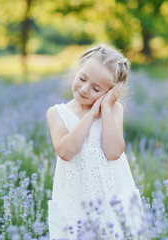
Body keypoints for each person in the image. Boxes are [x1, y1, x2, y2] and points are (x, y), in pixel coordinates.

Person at [46, 44, 145, 239]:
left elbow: (113, 152)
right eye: (82, 78)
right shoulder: (57, 113)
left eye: (96, 88)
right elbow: (65, 152)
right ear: (77, 72)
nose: (84, 89)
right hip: (76, 196)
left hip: (112, 193)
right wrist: (91, 114)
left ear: (110, 92)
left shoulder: (115, 111)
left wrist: (106, 109)